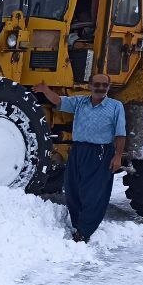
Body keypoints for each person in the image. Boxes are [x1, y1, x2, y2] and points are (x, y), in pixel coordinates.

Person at [33, 75, 127, 242]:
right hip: (78, 151)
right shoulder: (80, 102)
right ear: (90, 85)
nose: (101, 88)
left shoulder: (115, 106)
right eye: (97, 84)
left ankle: (84, 231)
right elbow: (58, 101)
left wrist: (117, 156)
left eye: (104, 85)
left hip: (101, 152)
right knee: (72, 189)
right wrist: (46, 90)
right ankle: (78, 224)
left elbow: (120, 134)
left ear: (108, 86)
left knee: (94, 193)